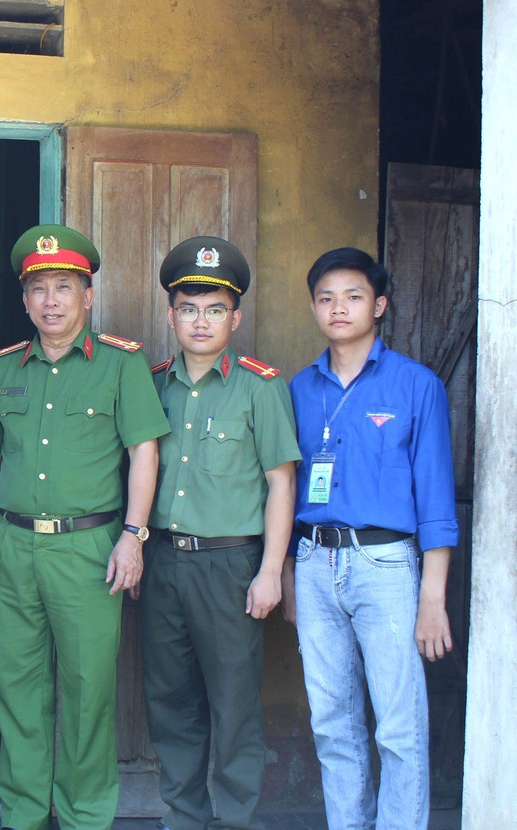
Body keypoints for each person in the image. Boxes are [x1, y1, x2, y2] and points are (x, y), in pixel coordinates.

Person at [0, 225, 169, 830]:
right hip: (13, 545)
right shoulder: (3, 370)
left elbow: (145, 453)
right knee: (16, 689)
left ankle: (82, 817)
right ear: (25, 300)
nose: (52, 300)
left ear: (88, 296)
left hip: (89, 547)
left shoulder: (122, 366)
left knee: (86, 692)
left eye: (65, 288)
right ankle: (23, 814)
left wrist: (134, 535)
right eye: (40, 289)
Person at [283, 247, 457, 830]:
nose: (339, 307)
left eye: (353, 296)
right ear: (313, 307)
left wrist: (432, 599)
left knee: (399, 725)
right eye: (326, 297)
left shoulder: (416, 385)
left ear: (378, 306)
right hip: (313, 561)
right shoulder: (299, 389)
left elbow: (435, 498)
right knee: (333, 723)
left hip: (386, 566)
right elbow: (285, 487)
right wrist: (285, 570)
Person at [141, 238, 300, 830]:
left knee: (233, 706)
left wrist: (269, 571)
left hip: (232, 567)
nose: (200, 320)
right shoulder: (153, 383)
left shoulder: (260, 386)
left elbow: (281, 484)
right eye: (188, 307)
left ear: (235, 317)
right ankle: (183, 817)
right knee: (170, 700)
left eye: (213, 309)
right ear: (170, 315)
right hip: (164, 563)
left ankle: (233, 820)